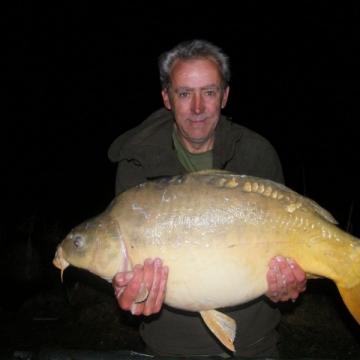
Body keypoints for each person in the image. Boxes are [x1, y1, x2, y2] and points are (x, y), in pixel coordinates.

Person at [108, 39, 307, 358]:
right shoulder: (136, 163)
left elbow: (289, 247)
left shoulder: (256, 154)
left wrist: (289, 285)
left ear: (225, 96)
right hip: (169, 346)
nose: (197, 108)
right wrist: (126, 289)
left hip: (254, 342)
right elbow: (124, 262)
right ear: (167, 98)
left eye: (209, 92)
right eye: (185, 93)